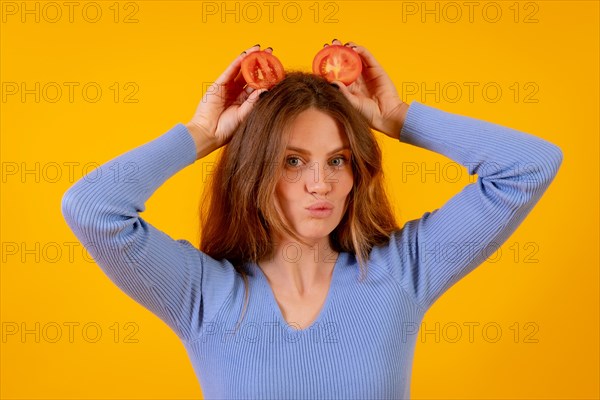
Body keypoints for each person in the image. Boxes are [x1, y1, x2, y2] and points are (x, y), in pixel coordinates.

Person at [61, 39, 563, 398]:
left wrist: (397, 116)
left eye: (338, 160)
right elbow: (93, 209)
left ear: (355, 172)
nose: (320, 184)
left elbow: (528, 167)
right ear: (255, 171)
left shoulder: (401, 273)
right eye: (293, 161)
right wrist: (201, 133)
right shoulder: (203, 294)